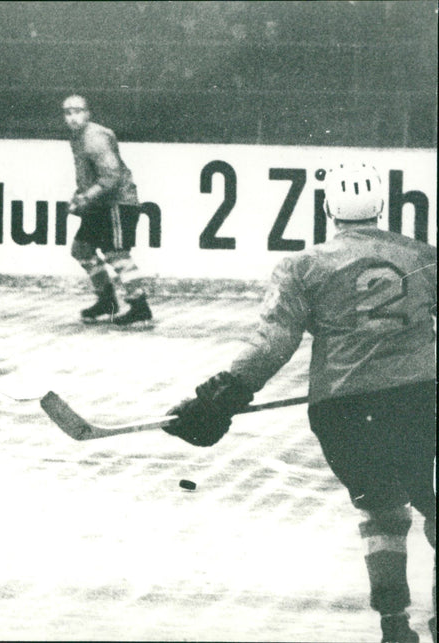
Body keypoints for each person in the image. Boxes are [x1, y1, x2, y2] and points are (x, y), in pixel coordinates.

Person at [162, 163, 436, 643]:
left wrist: (222, 396)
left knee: (382, 512)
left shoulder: (302, 265)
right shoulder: (423, 257)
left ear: (328, 208)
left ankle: (394, 623)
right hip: (419, 400)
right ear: (381, 207)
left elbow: (272, 343)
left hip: (342, 410)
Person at [62, 94, 153, 327]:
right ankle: (107, 301)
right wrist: (80, 196)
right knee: (82, 249)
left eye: (77, 111)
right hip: (101, 203)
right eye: (68, 113)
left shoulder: (94, 138)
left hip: (117, 203)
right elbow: (90, 176)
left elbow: (111, 176)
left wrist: (85, 198)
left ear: (88, 113)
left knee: (116, 253)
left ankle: (140, 306)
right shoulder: (78, 137)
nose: (72, 117)